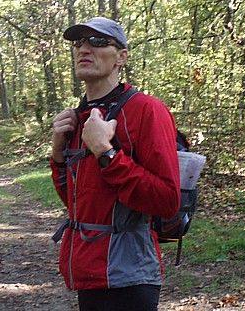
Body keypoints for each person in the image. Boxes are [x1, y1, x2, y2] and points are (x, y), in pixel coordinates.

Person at [51, 17, 181, 311]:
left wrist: (106, 153)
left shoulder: (147, 109)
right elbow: (78, 204)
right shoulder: (80, 117)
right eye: (79, 42)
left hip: (129, 275)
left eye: (98, 41)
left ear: (121, 57)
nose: (85, 48)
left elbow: (167, 201)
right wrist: (58, 154)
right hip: (88, 269)